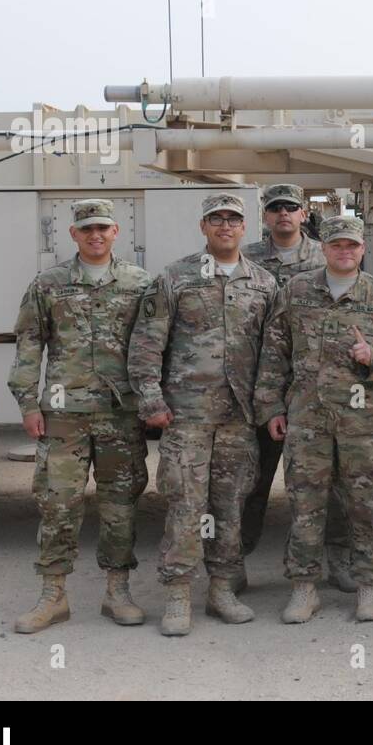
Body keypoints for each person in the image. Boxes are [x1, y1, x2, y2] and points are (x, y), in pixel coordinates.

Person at [256, 215, 373, 623]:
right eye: (336, 245)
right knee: (306, 505)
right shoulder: (296, 291)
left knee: (368, 507)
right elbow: (273, 353)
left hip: (363, 425)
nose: (344, 251)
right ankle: (304, 588)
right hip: (307, 420)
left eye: (352, 245)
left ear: (363, 249)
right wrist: (271, 407)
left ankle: (368, 586)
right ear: (323, 248)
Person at [128, 193, 278, 635]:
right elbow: (147, 342)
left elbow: (274, 352)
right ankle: (178, 595)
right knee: (184, 504)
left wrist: (269, 404)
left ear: (245, 227)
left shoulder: (264, 283)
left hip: (238, 416)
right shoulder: (175, 278)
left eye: (233, 219)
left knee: (230, 504)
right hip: (187, 415)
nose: (225, 226)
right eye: (217, 219)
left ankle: (221, 589)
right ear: (204, 227)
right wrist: (151, 400)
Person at [7, 199, 154, 633]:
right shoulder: (48, 284)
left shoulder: (138, 283)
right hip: (63, 415)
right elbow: (29, 344)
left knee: (120, 505)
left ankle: (117, 591)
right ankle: (53, 595)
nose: (95, 235)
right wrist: (28, 403)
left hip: (119, 414)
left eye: (103, 228)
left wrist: (152, 401)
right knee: (57, 504)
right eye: (87, 229)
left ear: (116, 232)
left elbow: (151, 347)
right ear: (73, 234)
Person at [237, 183, 347, 593]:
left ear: (304, 214)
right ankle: (235, 560)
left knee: (330, 480)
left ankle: (338, 557)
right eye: (275, 207)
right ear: (265, 215)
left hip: (317, 387)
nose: (283, 214)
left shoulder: (329, 254)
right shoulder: (244, 259)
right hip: (259, 383)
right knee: (251, 480)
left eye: (291, 208)